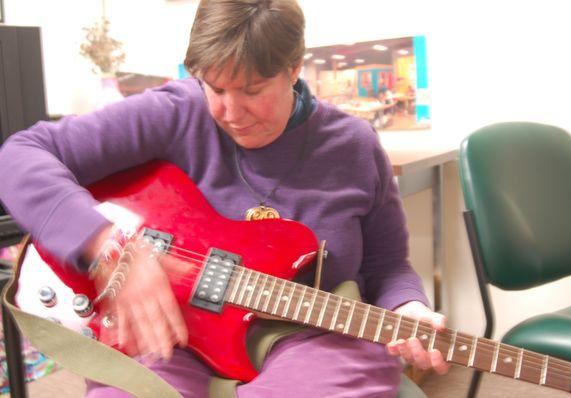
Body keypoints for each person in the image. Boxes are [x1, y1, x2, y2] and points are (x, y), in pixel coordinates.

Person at [0, 0, 449, 396]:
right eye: (215, 88)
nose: (231, 114)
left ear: (294, 69)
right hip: (172, 333)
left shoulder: (353, 144)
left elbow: (388, 265)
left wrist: (408, 307)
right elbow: (19, 155)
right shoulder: (176, 111)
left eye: (252, 90)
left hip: (314, 337)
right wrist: (110, 251)